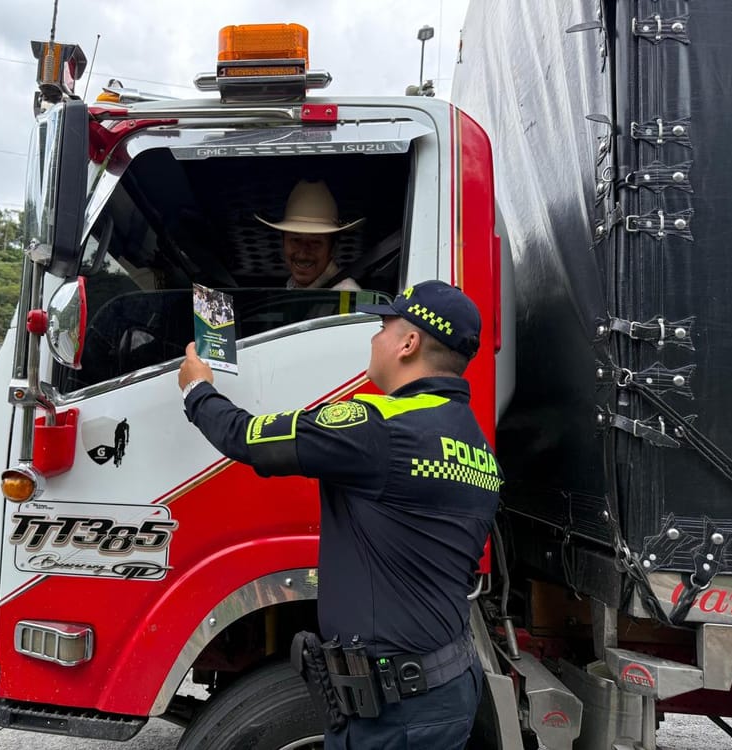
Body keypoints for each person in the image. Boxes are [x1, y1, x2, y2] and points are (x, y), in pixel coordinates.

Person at [177, 280, 501, 749]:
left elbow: (248, 438)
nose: (374, 338)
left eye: (385, 327)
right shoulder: (476, 447)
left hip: (397, 708)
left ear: (409, 344)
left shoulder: (381, 428)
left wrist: (197, 389)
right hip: (443, 688)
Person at [256, 179, 364, 291]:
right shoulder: (291, 286)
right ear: (283, 243)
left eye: (315, 242)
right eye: (295, 240)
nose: (303, 254)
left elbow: (373, 308)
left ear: (333, 248)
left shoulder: (350, 294)